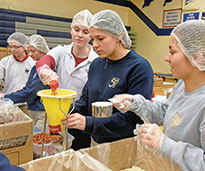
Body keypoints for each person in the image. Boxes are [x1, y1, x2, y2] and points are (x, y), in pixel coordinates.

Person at [112, 20, 205, 170]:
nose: (166, 58)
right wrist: (135, 103)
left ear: (196, 58)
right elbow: (166, 113)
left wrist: (164, 144)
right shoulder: (182, 85)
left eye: (172, 52)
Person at [61, 9, 154, 150]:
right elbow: (86, 98)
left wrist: (88, 123)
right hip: (96, 141)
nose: (95, 45)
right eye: (92, 39)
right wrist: (68, 111)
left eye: (100, 38)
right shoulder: (97, 64)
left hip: (123, 145)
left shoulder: (138, 67)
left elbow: (131, 119)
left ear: (117, 35)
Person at [36, 9, 98, 150]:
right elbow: (45, 60)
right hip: (58, 110)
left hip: (81, 114)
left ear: (91, 36)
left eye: (85, 32)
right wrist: (45, 70)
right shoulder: (61, 51)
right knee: (58, 148)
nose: (80, 35)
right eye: (76, 30)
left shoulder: (96, 60)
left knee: (79, 149)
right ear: (71, 30)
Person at [0, 35, 50, 126]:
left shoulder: (40, 66)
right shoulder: (6, 62)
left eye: (15, 46)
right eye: (10, 46)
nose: (12, 50)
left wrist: (2, 96)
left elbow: (31, 91)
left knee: (31, 132)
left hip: (31, 106)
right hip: (13, 103)